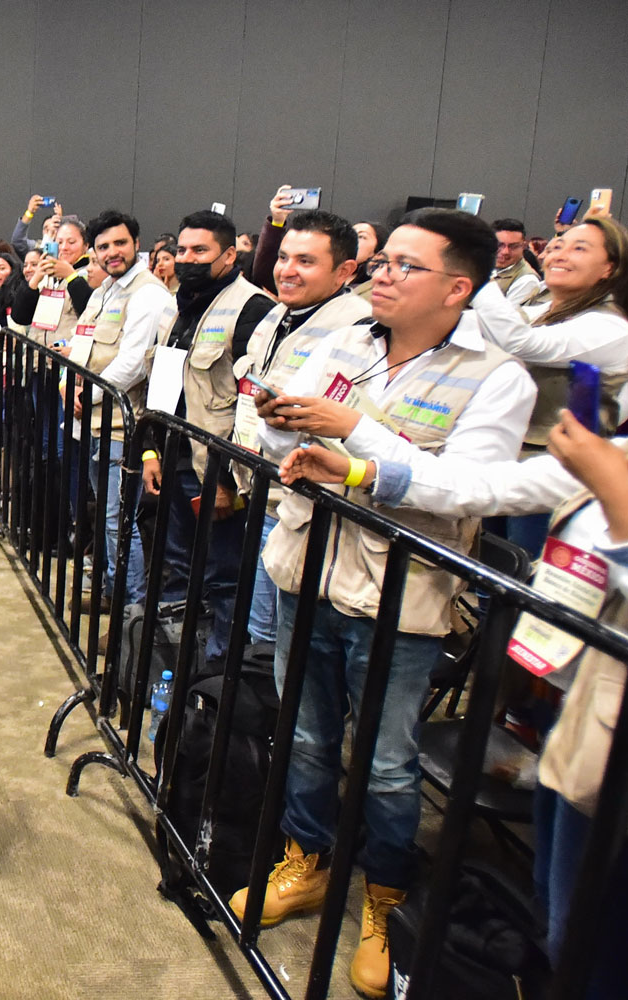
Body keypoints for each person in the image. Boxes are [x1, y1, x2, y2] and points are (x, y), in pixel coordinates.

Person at [233, 208, 537, 1000]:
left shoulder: (497, 375)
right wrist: (280, 427)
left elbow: (469, 488)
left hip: (401, 595)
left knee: (390, 763)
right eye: (385, 262)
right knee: (304, 730)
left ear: (458, 288)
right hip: (308, 564)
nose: (384, 274)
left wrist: (355, 436)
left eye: (406, 265)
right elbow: (292, 441)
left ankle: (387, 895)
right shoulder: (347, 344)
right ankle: (309, 858)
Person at [276, 410, 626, 999]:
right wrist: (359, 468)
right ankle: (313, 861)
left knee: (590, 934)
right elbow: (481, 486)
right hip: (584, 713)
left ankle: (386, 898)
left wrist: (615, 492)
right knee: (561, 912)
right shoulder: (615, 448)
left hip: (606, 727)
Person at [231, 209, 370, 645]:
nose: (287, 270)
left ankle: (264, 711)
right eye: (284, 257)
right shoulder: (278, 314)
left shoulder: (358, 329)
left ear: (344, 271)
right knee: (260, 629)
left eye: (305, 261)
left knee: (272, 637)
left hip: (305, 508)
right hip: (261, 489)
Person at [141, 209, 273, 664]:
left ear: (229, 255)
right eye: (182, 250)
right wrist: (150, 450)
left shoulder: (253, 309)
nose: (187, 259)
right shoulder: (178, 304)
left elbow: (251, 405)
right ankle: (180, 654)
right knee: (179, 561)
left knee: (223, 575)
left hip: (215, 470)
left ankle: (219, 669)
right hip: (174, 457)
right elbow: (160, 384)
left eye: (200, 251)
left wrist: (226, 479)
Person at [470, 214, 628, 555]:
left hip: (560, 471)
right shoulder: (541, 308)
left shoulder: (610, 326)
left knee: (527, 573)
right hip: (509, 456)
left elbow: (524, 343)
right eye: (557, 246)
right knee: (492, 567)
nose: (560, 254)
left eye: (579, 249)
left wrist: (477, 277)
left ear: (609, 268)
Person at [71, 209, 174, 630]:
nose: (112, 253)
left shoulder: (148, 295)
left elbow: (133, 363)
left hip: (122, 425)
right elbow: (82, 340)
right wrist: (68, 381)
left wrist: (87, 392)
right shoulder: (103, 291)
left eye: (119, 243)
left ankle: (128, 621)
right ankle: (110, 595)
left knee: (119, 523)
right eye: (103, 247)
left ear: (136, 243)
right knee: (107, 518)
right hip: (93, 421)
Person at [13, 216, 93, 345]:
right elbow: (20, 317)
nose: (64, 247)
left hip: (65, 358)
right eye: (59, 242)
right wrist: (35, 279)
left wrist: (71, 276)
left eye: (71, 242)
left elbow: (90, 314)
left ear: (86, 245)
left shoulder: (91, 273)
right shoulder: (46, 275)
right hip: (36, 356)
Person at [492, 218, 543, 306]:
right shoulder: (481, 264)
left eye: (513, 246)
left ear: (523, 246)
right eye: (499, 245)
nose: (505, 251)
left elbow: (504, 316)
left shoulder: (527, 280)